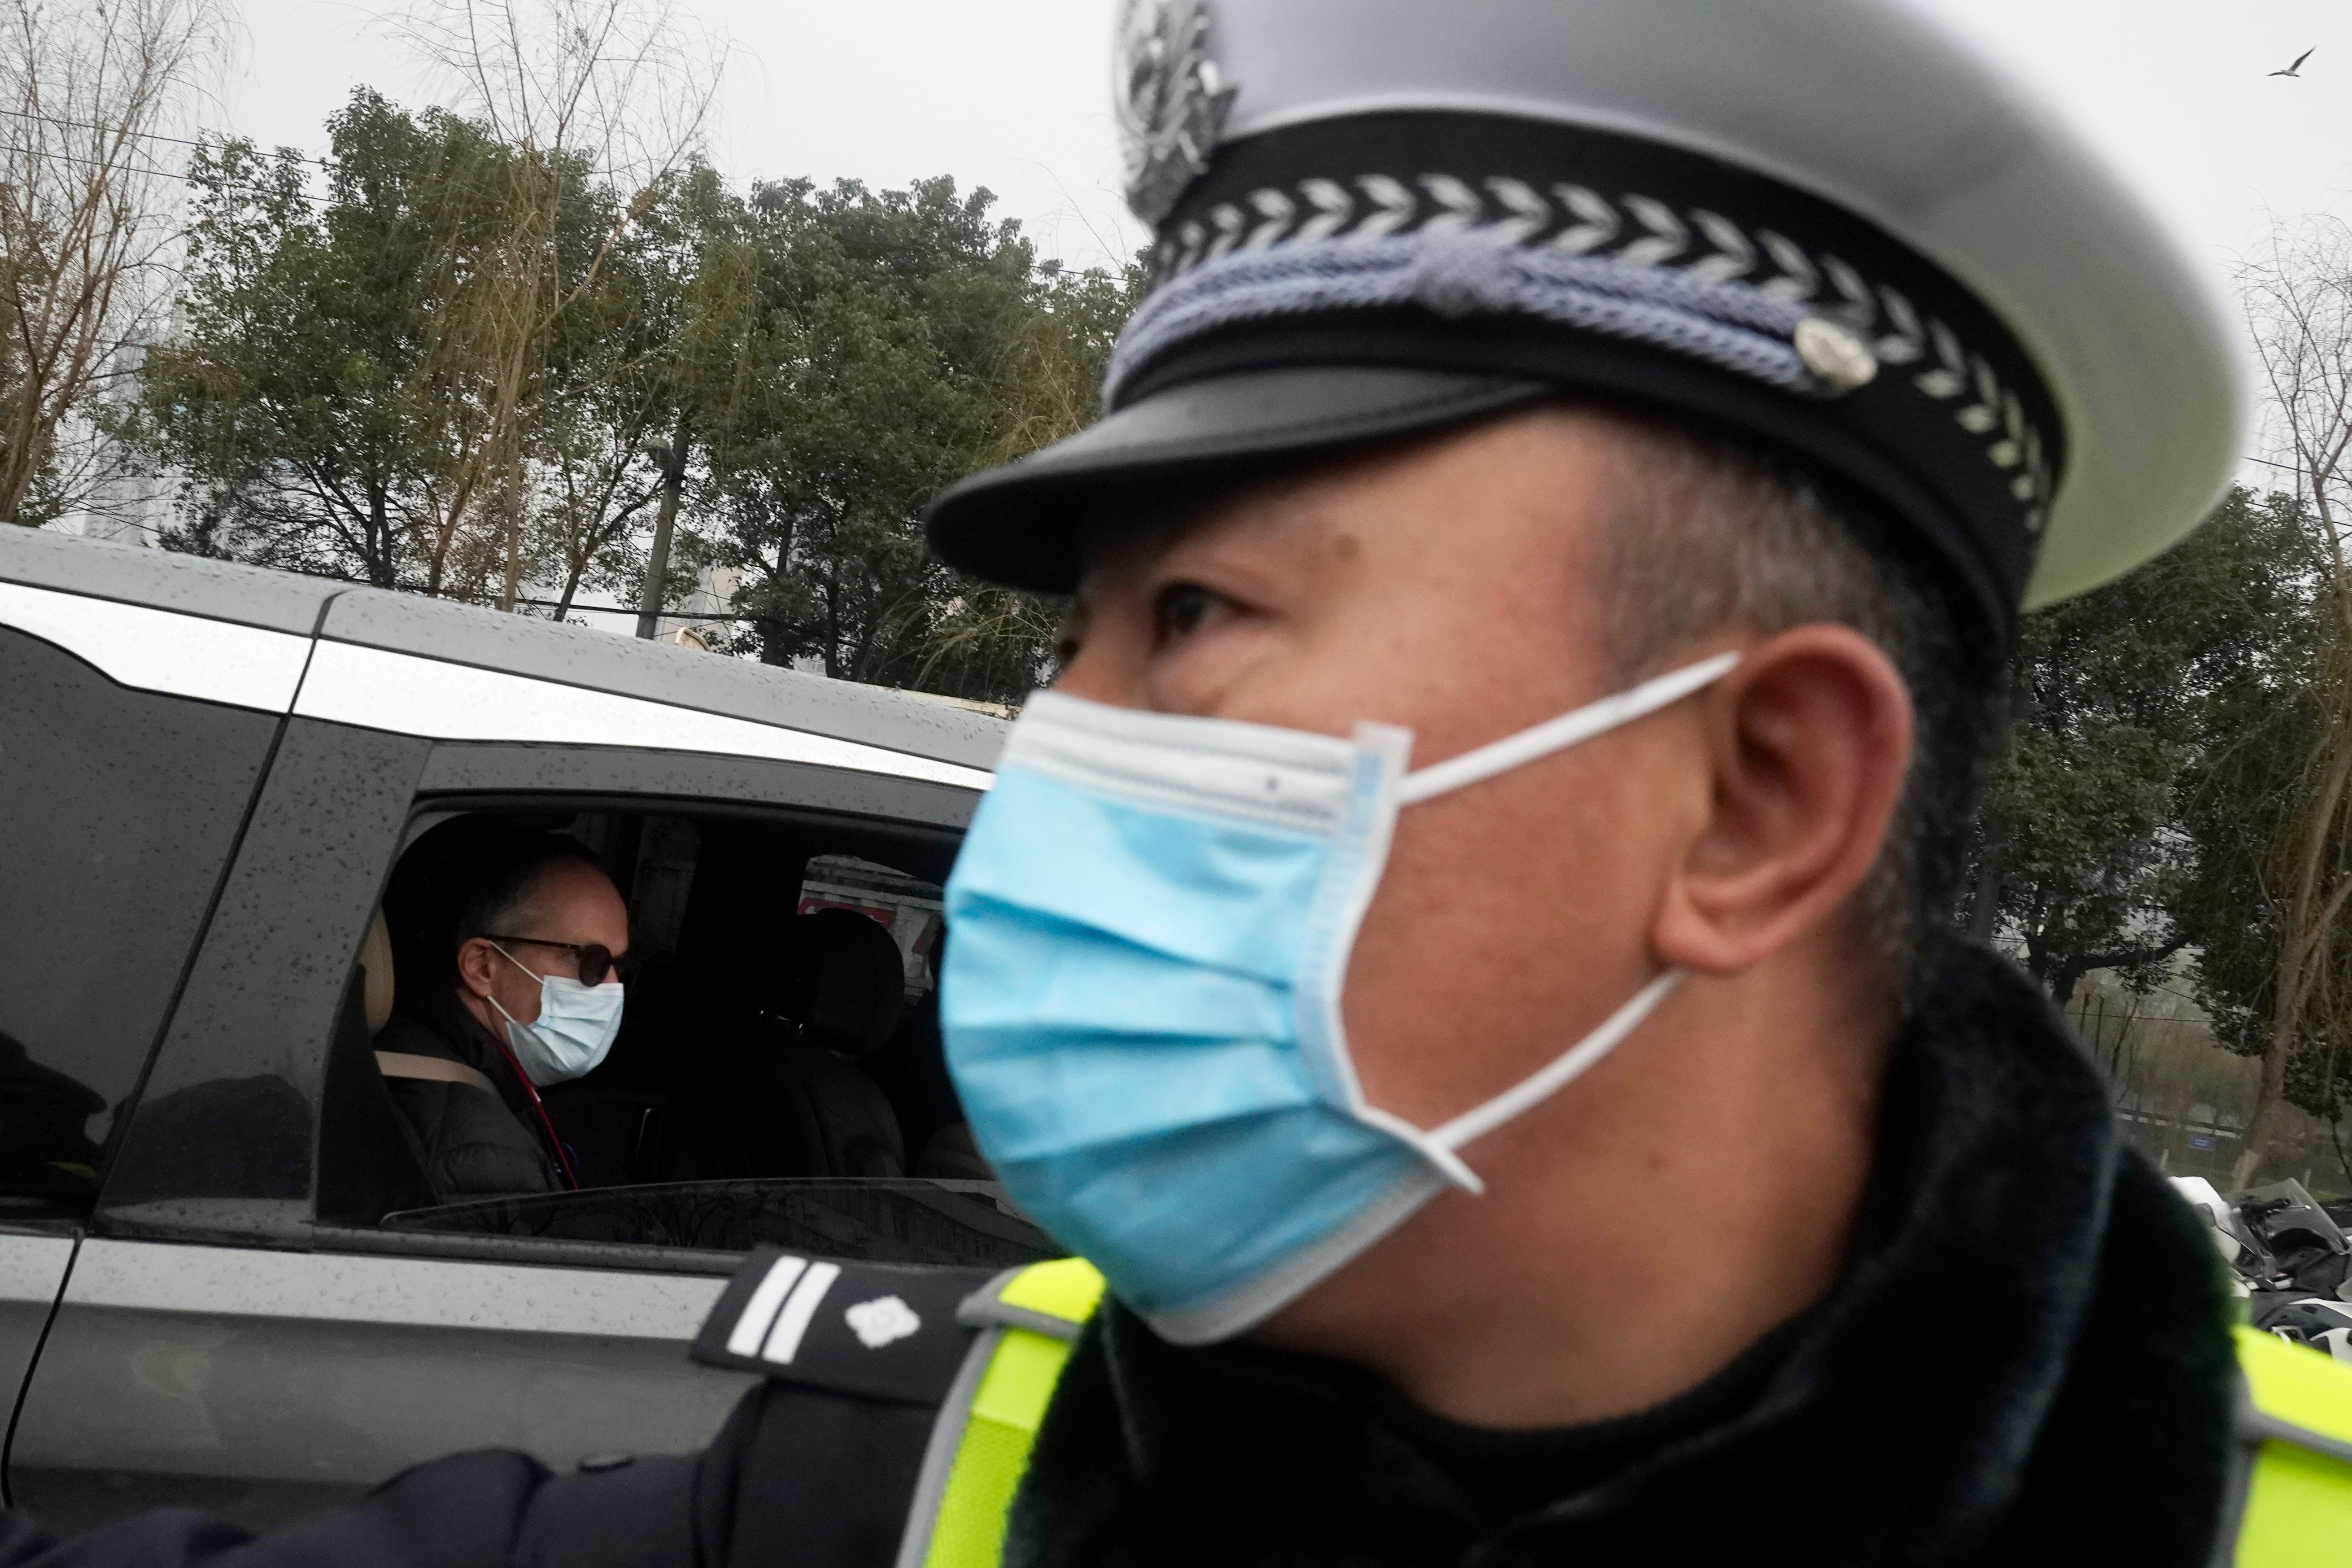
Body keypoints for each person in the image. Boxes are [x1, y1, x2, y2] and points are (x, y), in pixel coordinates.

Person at [6, 2, 2351, 1565]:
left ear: (1750, 794)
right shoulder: (927, 1465)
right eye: (1070, 646)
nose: (1058, 756)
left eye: (1195, 620)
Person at [376, 830, 628, 1197]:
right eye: (591, 960)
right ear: (482, 966)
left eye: (619, 964)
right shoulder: (487, 1159)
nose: (611, 985)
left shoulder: (423, 1044)